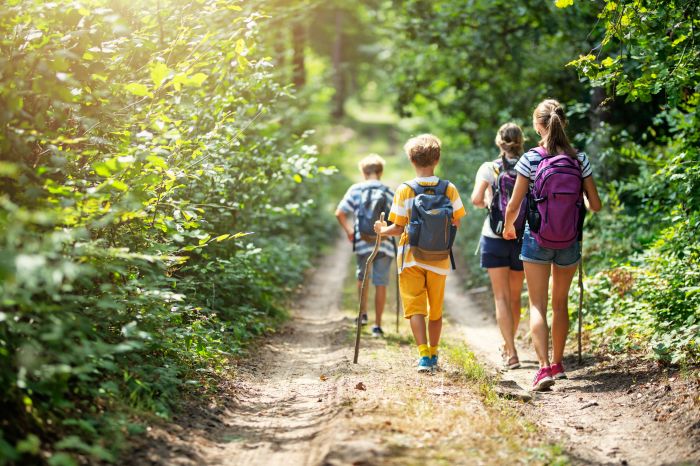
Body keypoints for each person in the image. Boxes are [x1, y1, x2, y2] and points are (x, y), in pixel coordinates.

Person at [503, 99, 602, 391]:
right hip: (569, 240)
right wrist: (571, 205)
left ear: (537, 125)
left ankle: (542, 368)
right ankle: (559, 365)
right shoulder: (579, 158)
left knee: (537, 304)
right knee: (560, 304)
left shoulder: (531, 158)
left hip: (536, 238)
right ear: (564, 122)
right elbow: (595, 204)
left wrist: (509, 227)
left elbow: (514, 204)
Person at [374, 134, 466, 371]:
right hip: (440, 259)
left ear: (411, 161)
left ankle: (424, 355)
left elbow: (398, 228)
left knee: (415, 307)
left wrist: (381, 231)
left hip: (411, 258)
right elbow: (457, 222)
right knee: (435, 310)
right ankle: (435, 354)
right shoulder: (449, 189)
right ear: (437, 159)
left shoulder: (405, 190)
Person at [471, 123, 526, 371]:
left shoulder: (489, 168)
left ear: (499, 142)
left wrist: (489, 205)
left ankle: (511, 351)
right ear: (521, 140)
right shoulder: (530, 164)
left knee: (500, 297)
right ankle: (509, 344)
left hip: (494, 236)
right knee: (515, 297)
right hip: (522, 236)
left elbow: (475, 199)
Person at [336, 154, 396, 337]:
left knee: (362, 277)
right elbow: (398, 217)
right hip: (383, 243)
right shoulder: (388, 191)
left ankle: (362, 315)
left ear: (363, 172)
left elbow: (340, 213)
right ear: (380, 172)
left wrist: (349, 232)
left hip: (362, 241)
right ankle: (377, 325)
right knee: (381, 282)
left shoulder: (355, 190)